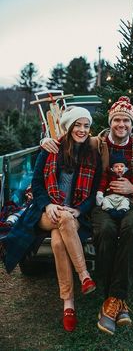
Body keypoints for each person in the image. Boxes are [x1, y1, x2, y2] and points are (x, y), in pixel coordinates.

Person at [41, 96, 133, 336]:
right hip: (102, 202)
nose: (121, 125)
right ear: (110, 122)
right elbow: (69, 137)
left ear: (132, 123)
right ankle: (114, 300)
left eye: (126, 120)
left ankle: (114, 299)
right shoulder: (96, 142)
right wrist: (45, 140)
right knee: (105, 231)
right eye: (117, 120)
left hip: (132, 201)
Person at [5, 106, 102, 333]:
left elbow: (93, 190)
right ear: (68, 127)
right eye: (77, 125)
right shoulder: (51, 149)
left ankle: (68, 304)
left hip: (74, 214)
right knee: (62, 220)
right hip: (45, 213)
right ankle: (84, 275)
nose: (82, 130)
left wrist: (79, 210)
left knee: (59, 240)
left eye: (86, 126)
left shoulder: (93, 155)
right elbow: (37, 185)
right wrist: (48, 205)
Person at [96, 152, 133, 219]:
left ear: (125, 168)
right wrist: (100, 193)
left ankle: (121, 211)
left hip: (123, 197)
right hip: (110, 196)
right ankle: (110, 210)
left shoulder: (128, 175)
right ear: (112, 168)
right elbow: (102, 184)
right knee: (105, 201)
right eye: (116, 166)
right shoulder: (108, 175)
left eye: (122, 166)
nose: (119, 168)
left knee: (125, 202)